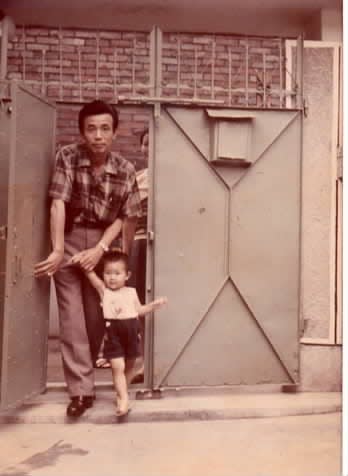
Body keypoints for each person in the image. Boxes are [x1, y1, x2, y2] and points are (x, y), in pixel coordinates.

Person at [34, 100, 142, 418]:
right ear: (82, 132)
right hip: (67, 239)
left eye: (105, 128)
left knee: (97, 318)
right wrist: (56, 250)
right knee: (71, 318)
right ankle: (81, 391)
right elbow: (57, 203)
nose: (98, 135)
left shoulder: (125, 169)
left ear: (115, 132)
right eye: (91, 129)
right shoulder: (68, 157)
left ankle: (88, 378)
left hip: (102, 244)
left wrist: (103, 249)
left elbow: (126, 216)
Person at [81, 250, 167, 416]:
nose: (112, 277)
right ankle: (123, 399)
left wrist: (154, 305)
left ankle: (122, 393)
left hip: (132, 332)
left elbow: (140, 310)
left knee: (129, 366)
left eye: (117, 273)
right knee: (117, 366)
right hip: (113, 334)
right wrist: (84, 266)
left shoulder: (131, 292)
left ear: (127, 275)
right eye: (107, 273)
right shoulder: (104, 292)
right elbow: (94, 280)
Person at [127, 128, 149, 383]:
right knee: (141, 302)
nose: (147, 148)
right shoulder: (139, 178)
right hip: (142, 244)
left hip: (171, 247)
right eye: (144, 144)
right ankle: (145, 363)